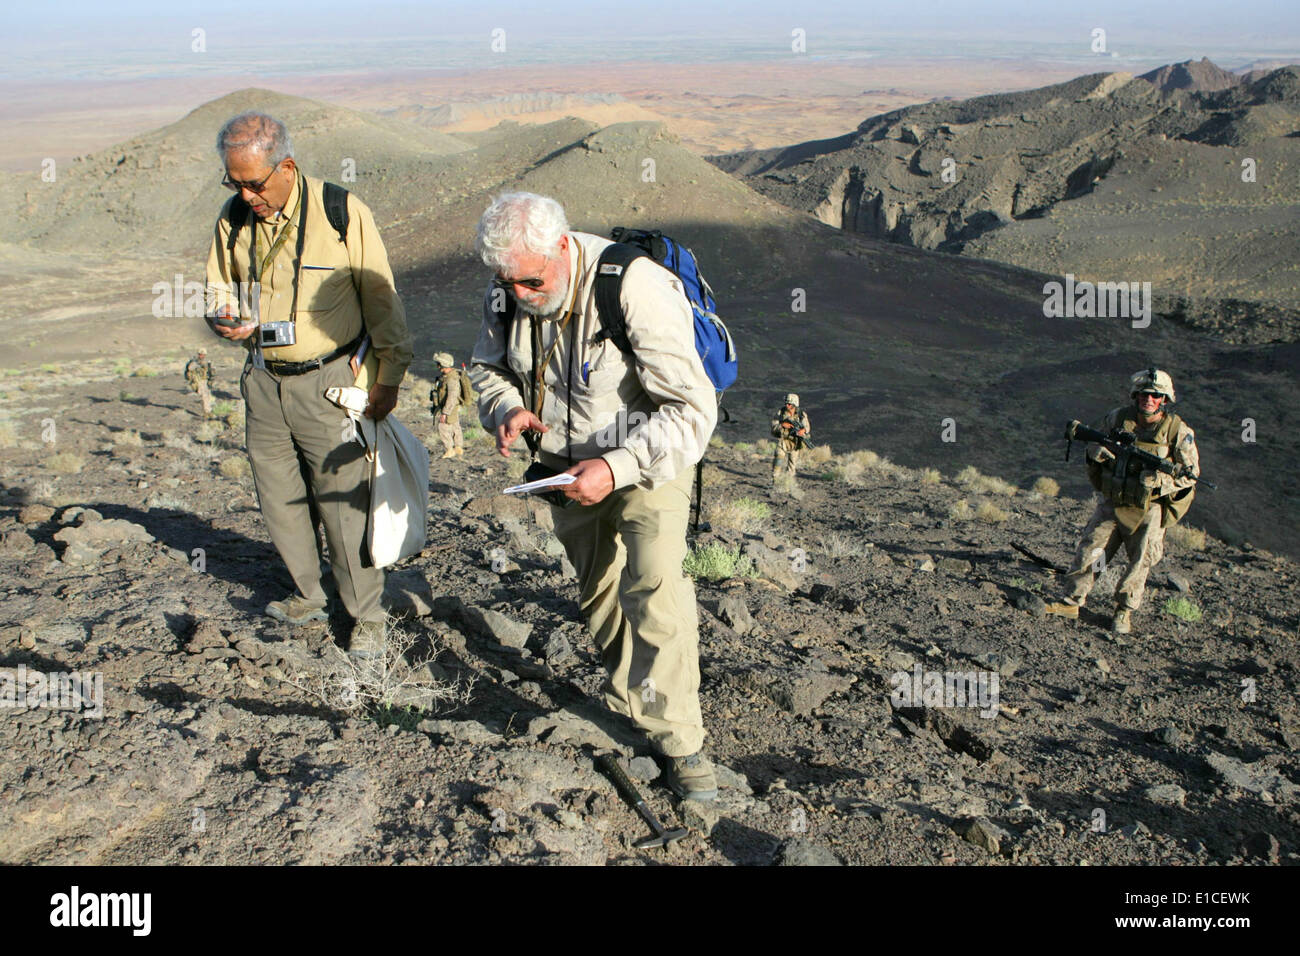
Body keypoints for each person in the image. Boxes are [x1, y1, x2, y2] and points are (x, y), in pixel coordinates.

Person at [469, 192, 720, 801]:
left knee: (655, 589)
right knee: (601, 597)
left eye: (532, 279)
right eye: (509, 281)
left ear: (562, 246)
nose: (522, 294)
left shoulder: (631, 285)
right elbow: (485, 367)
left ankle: (681, 745)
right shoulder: (508, 291)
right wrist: (504, 408)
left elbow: (693, 409)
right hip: (563, 471)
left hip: (647, 465)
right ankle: (637, 706)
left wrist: (617, 466)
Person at [203, 111, 413, 660]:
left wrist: (388, 379)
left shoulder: (341, 213)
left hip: (330, 382)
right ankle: (308, 593)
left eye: (254, 183)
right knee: (280, 499)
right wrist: (222, 318)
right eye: (235, 183)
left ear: (286, 167)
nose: (246, 195)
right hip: (263, 381)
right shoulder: (233, 218)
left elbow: (383, 302)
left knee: (343, 505)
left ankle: (366, 616)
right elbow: (218, 289)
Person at [1050, 368, 1200, 634]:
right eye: (1144, 394)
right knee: (1093, 550)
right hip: (1113, 501)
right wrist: (1098, 453)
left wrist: (1160, 482)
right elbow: (1093, 443)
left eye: (1155, 395)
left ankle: (1123, 611)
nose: (1149, 399)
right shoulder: (1117, 418)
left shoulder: (1177, 431)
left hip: (1148, 508)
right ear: (1135, 395)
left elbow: (1190, 475)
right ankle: (1072, 600)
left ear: (1164, 399)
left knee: (1140, 560)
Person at [771, 393, 811, 486]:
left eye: (789, 404)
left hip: (795, 443)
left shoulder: (801, 415)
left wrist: (803, 431)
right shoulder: (780, 413)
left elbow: (807, 427)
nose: (787, 405)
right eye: (786, 403)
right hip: (783, 441)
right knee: (778, 461)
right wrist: (781, 425)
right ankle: (775, 481)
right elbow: (773, 427)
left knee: (792, 466)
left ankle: (788, 483)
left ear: (795, 405)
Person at [432, 352, 465, 459]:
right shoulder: (447, 377)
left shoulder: (451, 379)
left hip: (450, 407)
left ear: (443, 364)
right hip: (451, 407)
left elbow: (452, 396)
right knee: (455, 425)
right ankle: (458, 447)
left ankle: (449, 449)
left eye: (439, 364)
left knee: (442, 426)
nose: (437, 366)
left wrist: (445, 413)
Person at [184, 348, 215, 418]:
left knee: (207, 395)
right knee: (204, 396)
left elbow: (209, 371)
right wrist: (197, 364)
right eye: (201, 354)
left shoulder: (205, 362)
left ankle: (208, 410)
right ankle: (207, 412)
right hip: (198, 381)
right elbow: (190, 368)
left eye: (203, 355)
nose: (202, 356)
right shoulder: (194, 362)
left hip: (204, 380)